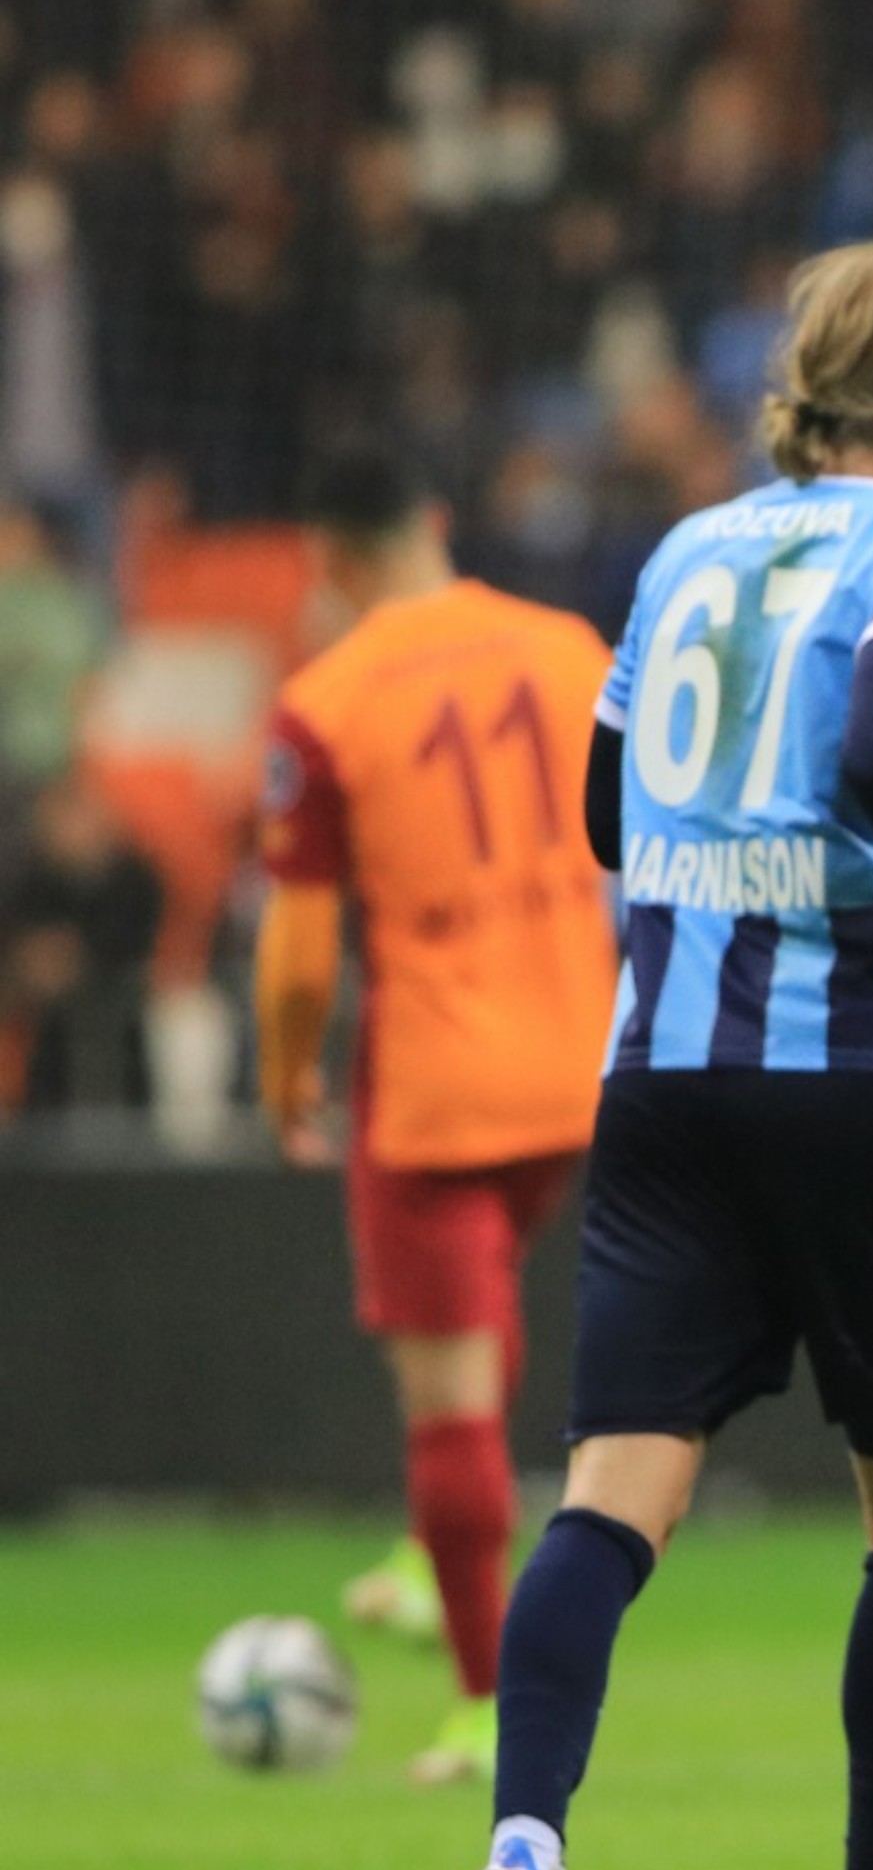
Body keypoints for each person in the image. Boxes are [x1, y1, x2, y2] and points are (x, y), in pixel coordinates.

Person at [458, 241, 873, 1870]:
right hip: (849, 1073)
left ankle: (527, 1845)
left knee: (616, 1491)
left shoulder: (692, 545)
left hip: (663, 1073)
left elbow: (609, 803)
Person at [254, 446, 617, 1787]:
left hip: (437, 1085)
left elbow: (298, 957)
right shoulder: (566, 646)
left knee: (447, 1398)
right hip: (580, 1057)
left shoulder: (325, 702)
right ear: (436, 520)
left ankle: (482, 1702)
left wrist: (284, 1074)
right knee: (490, 1300)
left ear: (328, 562)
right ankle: (430, 1557)